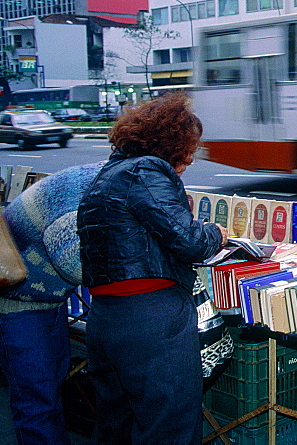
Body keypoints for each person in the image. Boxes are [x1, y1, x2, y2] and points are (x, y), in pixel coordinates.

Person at [77, 92, 226, 444]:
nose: (190, 159)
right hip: (151, 318)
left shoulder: (106, 175)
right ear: (172, 143)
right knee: (168, 425)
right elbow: (189, 241)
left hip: (105, 317)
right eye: (189, 149)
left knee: (116, 423)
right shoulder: (147, 170)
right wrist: (214, 233)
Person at [0, 162, 105, 445]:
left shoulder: (100, 178)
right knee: (36, 399)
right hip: (17, 306)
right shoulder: (79, 194)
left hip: (45, 300)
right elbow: (74, 267)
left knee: (48, 390)